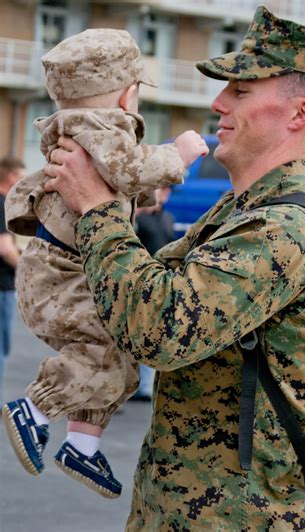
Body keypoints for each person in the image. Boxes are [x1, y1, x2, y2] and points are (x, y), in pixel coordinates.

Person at [43, 6, 305, 529]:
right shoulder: (240, 212)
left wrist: (97, 209)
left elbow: (156, 328)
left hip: (239, 518)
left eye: (240, 91)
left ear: (299, 113)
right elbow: (136, 285)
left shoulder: (285, 231)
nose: (218, 103)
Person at [2, 29, 208, 499]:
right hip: (65, 276)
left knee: (117, 357)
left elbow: (119, 179)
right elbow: (129, 169)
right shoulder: (104, 127)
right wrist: (179, 154)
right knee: (104, 354)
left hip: (57, 273)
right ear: (127, 93)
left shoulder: (80, 132)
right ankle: (33, 408)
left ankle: (82, 444)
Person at [132, 186, 177, 400]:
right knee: (133, 333)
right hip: (138, 282)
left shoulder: (167, 218)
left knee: (153, 334)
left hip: (161, 284)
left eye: (167, 191)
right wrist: (138, 211)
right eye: (160, 190)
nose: (163, 195)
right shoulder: (138, 218)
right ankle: (130, 385)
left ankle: (145, 386)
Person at [0, 156, 24, 398]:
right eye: (21, 176)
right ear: (11, 177)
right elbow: (5, 249)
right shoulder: (2, 204)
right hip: (2, 286)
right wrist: (27, 269)